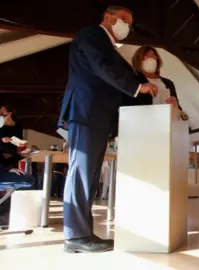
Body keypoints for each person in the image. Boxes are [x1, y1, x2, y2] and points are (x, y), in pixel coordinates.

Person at [57, 5, 158, 253]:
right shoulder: (92, 35)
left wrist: (146, 93)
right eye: (123, 19)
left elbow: (117, 81)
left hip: (98, 117)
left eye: (129, 23)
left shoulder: (111, 49)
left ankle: (83, 233)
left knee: (90, 176)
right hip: (86, 112)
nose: (126, 25)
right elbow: (103, 68)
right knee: (81, 173)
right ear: (108, 17)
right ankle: (75, 236)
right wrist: (138, 89)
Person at [123, 45, 189, 120]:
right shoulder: (134, 82)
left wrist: (176, 107)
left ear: (157, 60)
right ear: (138, 61)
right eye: (145, 57)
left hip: (166, 125)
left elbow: (179, 112)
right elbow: (126, 109)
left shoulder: (168, 83)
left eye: (152, 57)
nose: (149, 60)